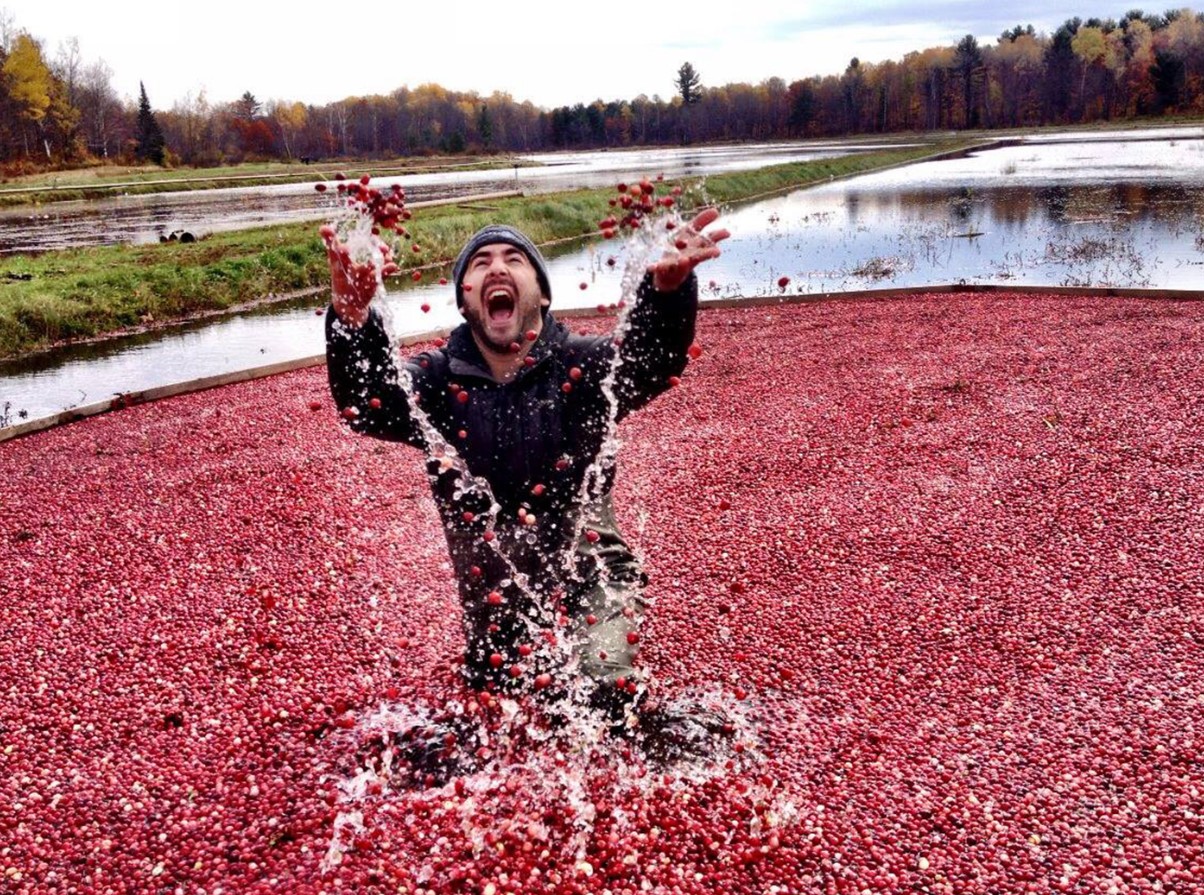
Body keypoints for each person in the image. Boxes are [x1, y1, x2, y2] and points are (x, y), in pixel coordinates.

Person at [323, 209, 729, 768]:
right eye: (480, 263)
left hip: (591, 575)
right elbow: (365, 403)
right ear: (464, 300)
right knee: (497, 710)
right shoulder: (435, 384)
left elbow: (650, 362)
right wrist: (351, 316)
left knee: (604, 696)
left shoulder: (583, 367)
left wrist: (666, 293)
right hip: (495, 594)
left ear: (541, 292)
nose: (497, 268)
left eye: (515, 259)